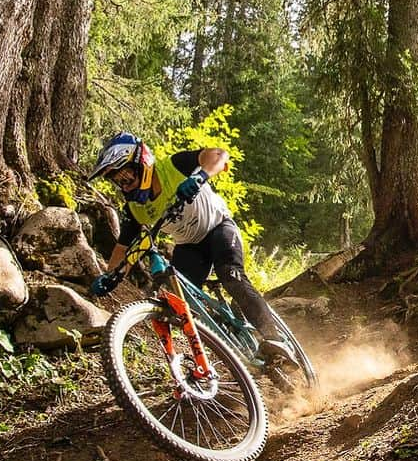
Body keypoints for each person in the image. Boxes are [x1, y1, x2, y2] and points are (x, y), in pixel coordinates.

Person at [86, 131, 294, 362]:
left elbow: (219, 155)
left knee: (231, 277)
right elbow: (123, 248)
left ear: (140, 161)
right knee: (178, 303)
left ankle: (276, 340)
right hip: (190, 247)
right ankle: (227, 346)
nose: (123, 185)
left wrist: (199, 176)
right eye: (117, 181)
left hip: (218, 228)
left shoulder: (173, 166)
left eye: (125, 176)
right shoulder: (134, 208)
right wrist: (110, 276)